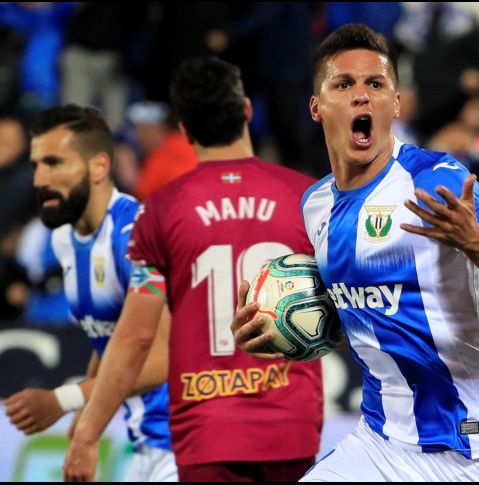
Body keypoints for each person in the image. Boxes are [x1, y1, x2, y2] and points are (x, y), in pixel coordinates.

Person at [232, 24, 479, 482]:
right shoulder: (315, 204)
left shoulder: (434, 178)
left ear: (394, 104)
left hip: (476, 449)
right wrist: (278, 328)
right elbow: (362, 317)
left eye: (375, 84)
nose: (362, 96)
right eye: (344, 84)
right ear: (317, 107)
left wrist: (473, 239)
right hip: (381, 443)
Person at [64, 57, 323, 482]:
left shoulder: (162, 211)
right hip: (290, 425)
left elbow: (135, 336)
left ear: (183, 130)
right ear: (246, 110)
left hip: (207, 432)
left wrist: (88, 434)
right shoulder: (306, 198)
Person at [4, 105, 176, 481]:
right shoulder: (66, 240)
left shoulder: (135, 235)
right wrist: (88, 421)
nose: (39, 179)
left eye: (54, 163)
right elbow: (114, 337)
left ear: (99, 167)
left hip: (188, 440)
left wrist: (65, 400)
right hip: (147, 443)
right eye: (36, 165)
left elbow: (167, 358)